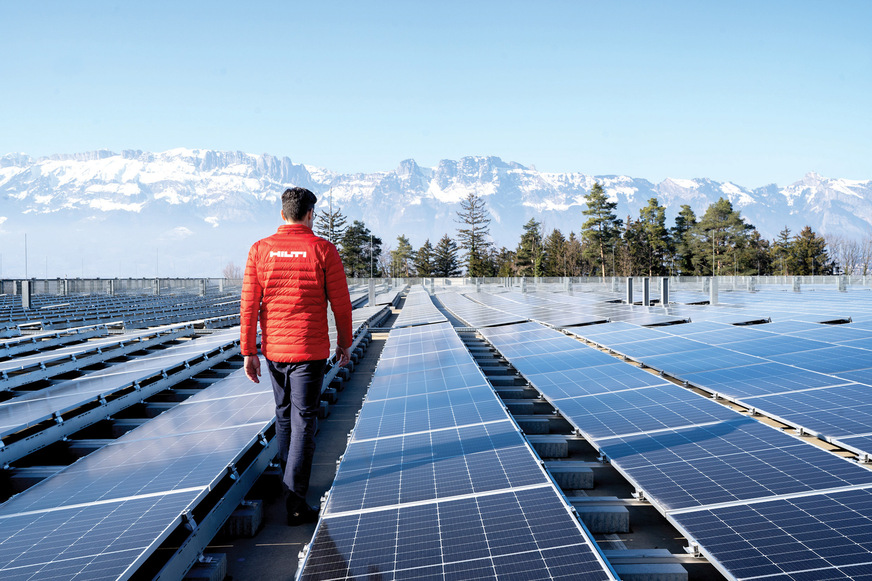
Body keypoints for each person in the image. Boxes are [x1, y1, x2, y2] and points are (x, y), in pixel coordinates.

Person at [240, 187, 353, 526]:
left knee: (285, 416)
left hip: (275, 350)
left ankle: (291, 488)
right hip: (309, 350)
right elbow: (341, 304)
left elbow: (249, 305)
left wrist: (249, 351)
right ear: (309, 214)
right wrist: (344, 343)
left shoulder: (260, 250)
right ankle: (296, 501)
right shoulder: (323, 249)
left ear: (282, 214)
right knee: (304, 420)